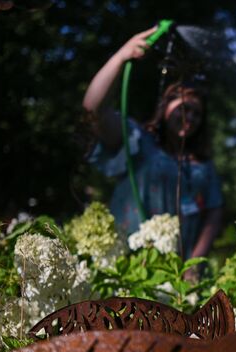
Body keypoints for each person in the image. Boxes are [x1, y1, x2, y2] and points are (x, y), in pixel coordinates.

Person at [82, 27, 222, 280]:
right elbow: (94, 109)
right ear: (165, 108)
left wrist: (194, 263)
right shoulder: (138, 142)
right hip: (128, 265)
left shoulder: (203, 165)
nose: (189, 117)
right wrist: (121, 57)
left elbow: (213, 212)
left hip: (178, 272)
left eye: (196, 114)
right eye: (184, 108)